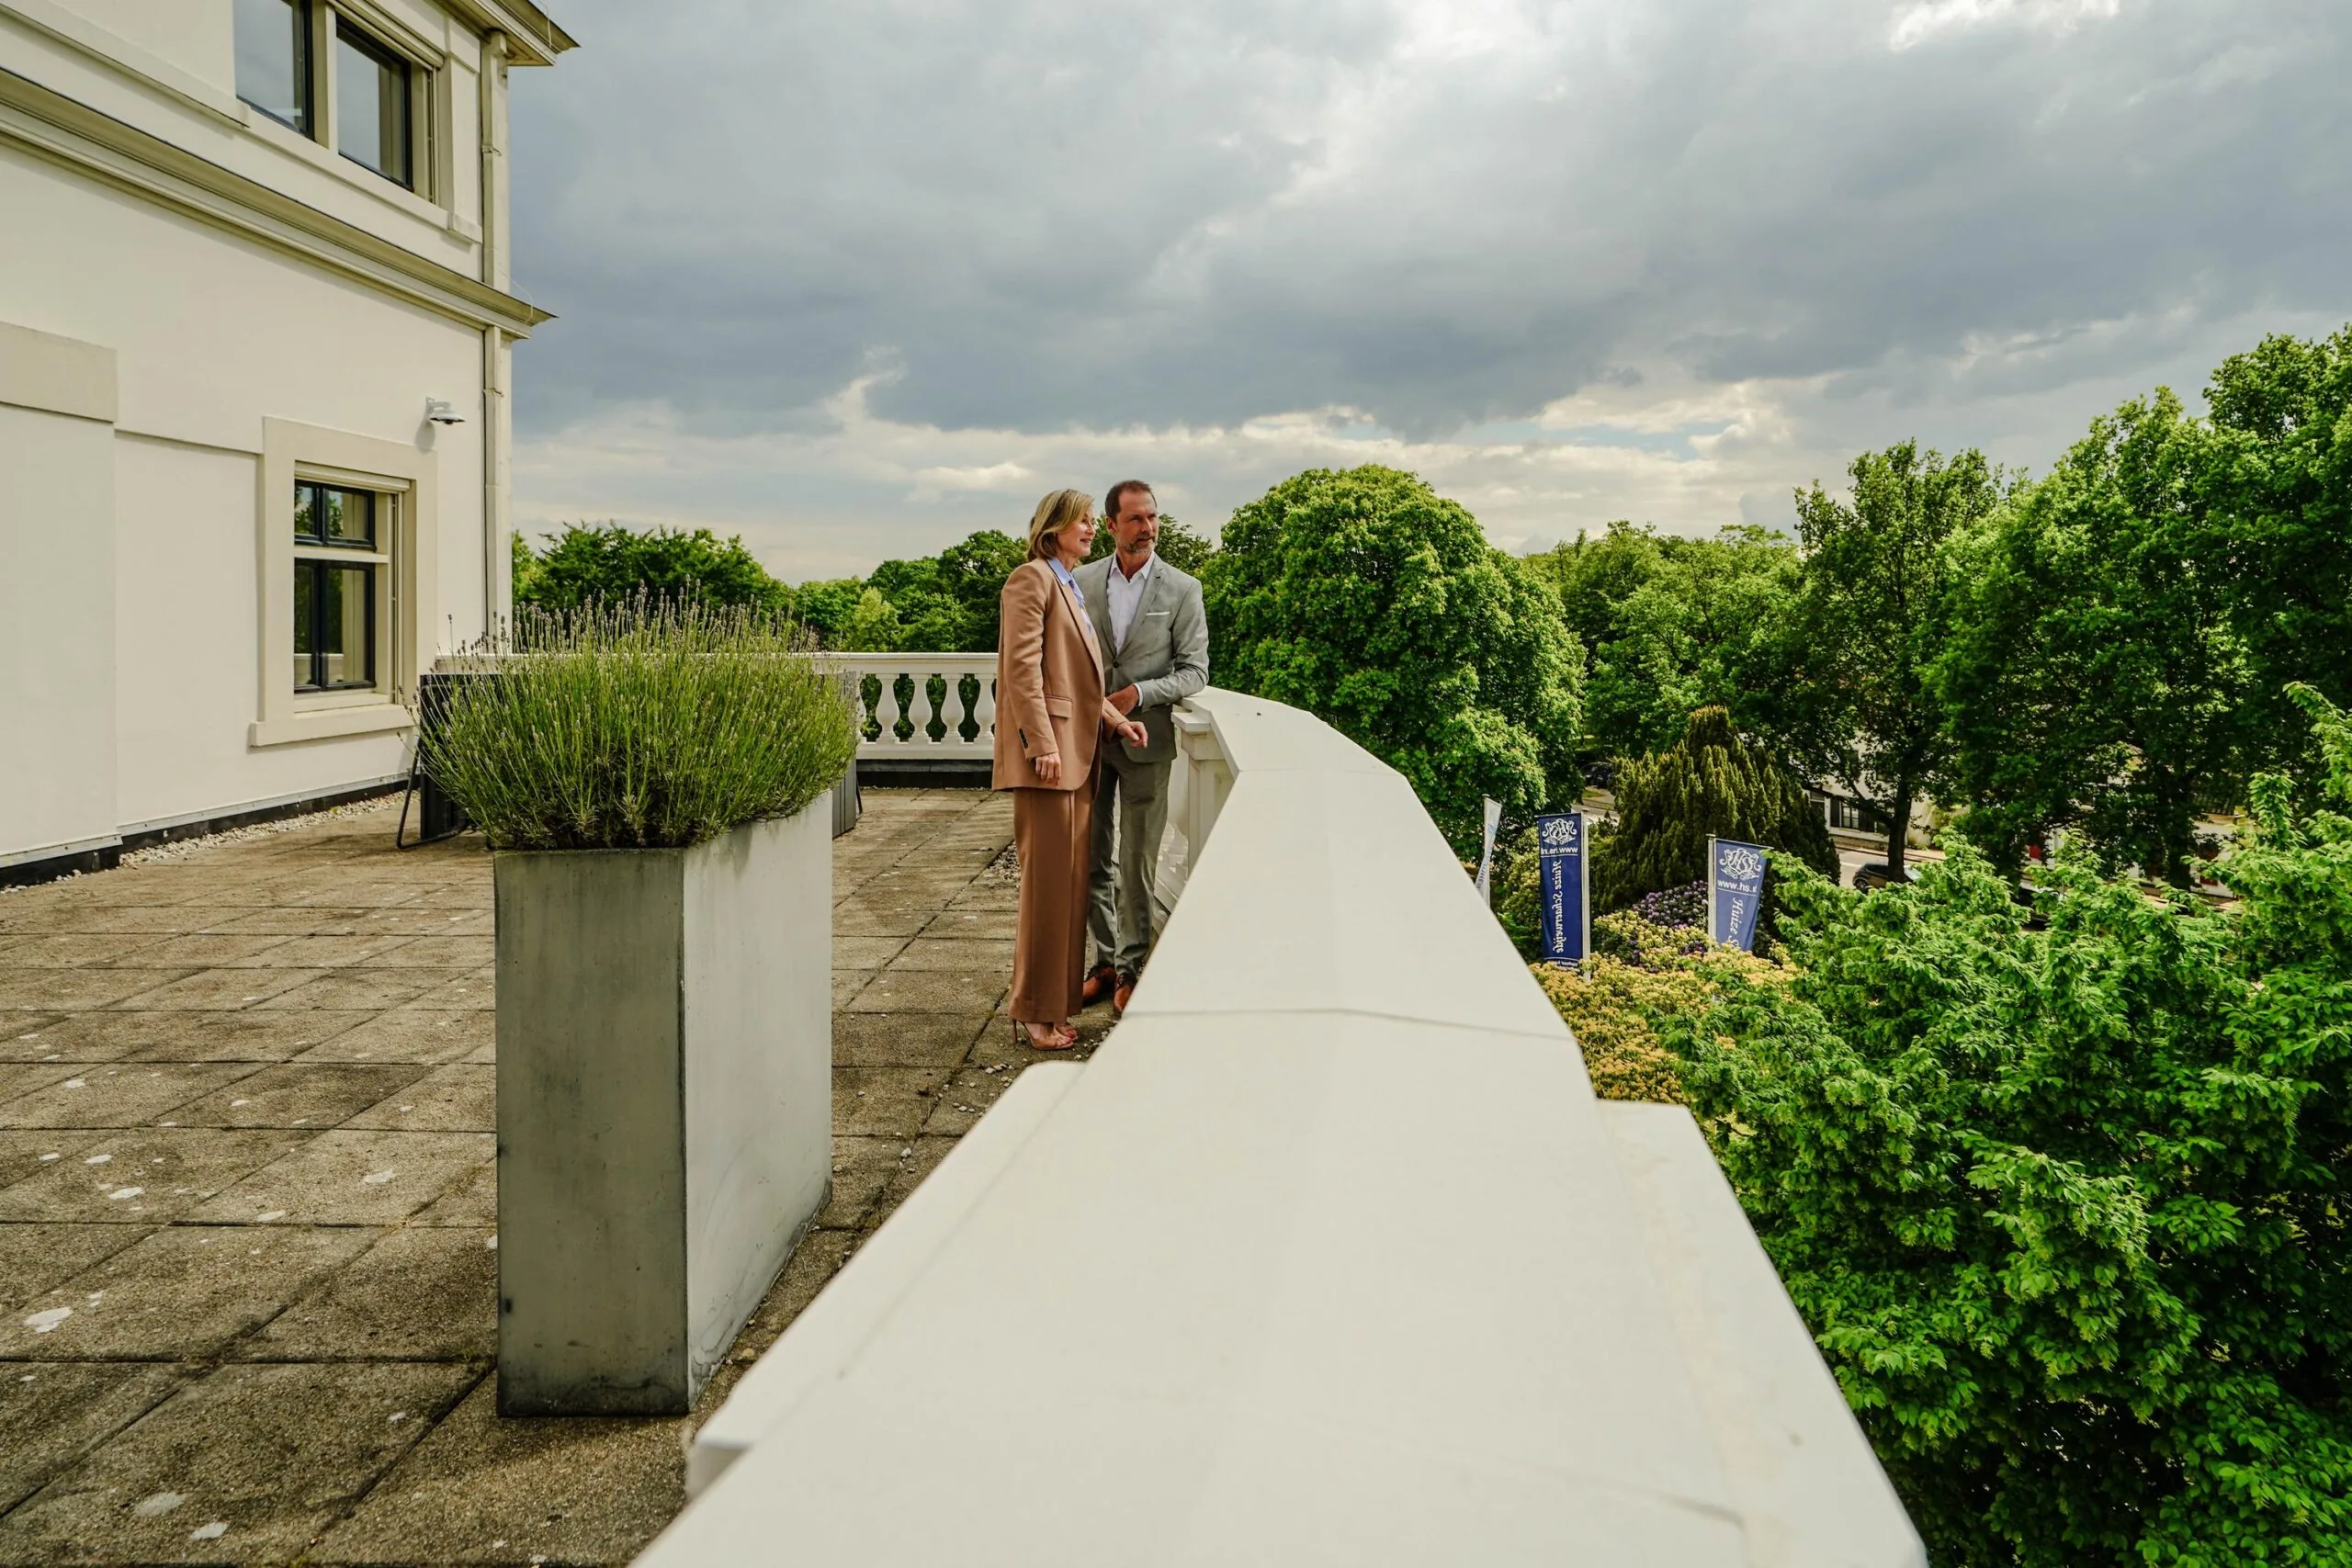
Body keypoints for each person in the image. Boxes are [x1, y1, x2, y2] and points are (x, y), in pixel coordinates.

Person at [994, 490, 1147, 1050]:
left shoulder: (1068, 584)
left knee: (1067, 894)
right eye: (1081, 521)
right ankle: (1034, 1012)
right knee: (1046, 894)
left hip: (1075, 759)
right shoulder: (1030, 579)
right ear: (1054, 527)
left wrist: (1117, 721)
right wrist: (1041, 743)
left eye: (1089, 522)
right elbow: (1022, 671)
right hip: (1050, 761)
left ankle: (1054, 1008)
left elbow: (1077, 684)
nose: (1089, 529)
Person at [1073, 479, 1210, 1015]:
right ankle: (1105, 962)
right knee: (1090, 857)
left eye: (1152, 517)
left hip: (1147, 740)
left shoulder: (1183, 588)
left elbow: (1195, 671)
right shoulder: (1080, 581)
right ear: (1111, 525)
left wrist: (1139, 694)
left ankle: (1132, 968)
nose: (1148, 528)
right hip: (1087, 740)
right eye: (1135, 519)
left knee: (1137, 861)